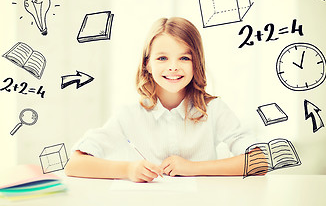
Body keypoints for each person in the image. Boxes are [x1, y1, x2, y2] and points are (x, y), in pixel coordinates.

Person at [65, 17, 258, 182]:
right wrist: (129, 170)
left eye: (184, 58)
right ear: (147, 63)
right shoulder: (129, 114)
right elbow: (75, 164)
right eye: (162, 58)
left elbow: (259, 162)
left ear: (196, 63)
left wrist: (192, 168)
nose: (173, 67)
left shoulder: (214, 109)